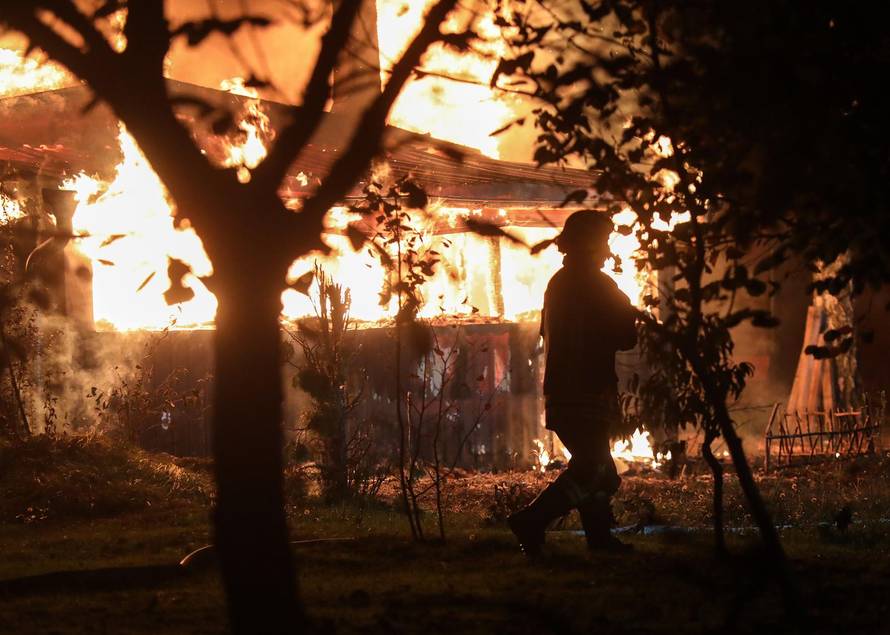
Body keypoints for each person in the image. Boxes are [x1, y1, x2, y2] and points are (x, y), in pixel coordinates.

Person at [509, 210, 638, 555]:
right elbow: (626, 335)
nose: (607, 249)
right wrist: (626, 306)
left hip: (563, 391)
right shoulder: (596, 284)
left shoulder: (558, 284)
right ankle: (532, 520)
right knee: (595, 468)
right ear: (592, 244)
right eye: (604, 241)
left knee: (598, 469)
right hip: (588, 390)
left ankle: (598, 539)